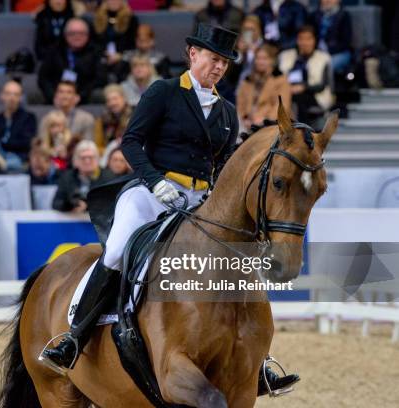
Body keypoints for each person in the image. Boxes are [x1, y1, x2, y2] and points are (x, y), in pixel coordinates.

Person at [39, 23, 298, 395]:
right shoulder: (163, 92)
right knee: (114, 252)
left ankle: (259, 362)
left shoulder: (226, 111)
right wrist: (156, 181)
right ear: (193, 54)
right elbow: (131, 142)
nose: (219, 67)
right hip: (151, 191)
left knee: (238, 264)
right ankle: (72, 338)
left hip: (200, 200)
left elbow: (224, 164)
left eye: (225, 62)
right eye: (214, 58)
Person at [38, 18, 106, 104]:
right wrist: (53, 96)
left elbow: (100, 79)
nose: (77, 36)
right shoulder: (54, 51)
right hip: (57, 97)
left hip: (84, 97)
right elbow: (43, 78)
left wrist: (81, 96)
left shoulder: (96, 52)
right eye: (72, 33)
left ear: (88, 35)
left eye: (81, 33)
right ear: (65, 35)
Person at [278, 25, 334, 127]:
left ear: (314, 40)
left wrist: (304, 87)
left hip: (315, 95)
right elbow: (279, 78)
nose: (304, 43)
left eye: (308, 39)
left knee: (299, 98)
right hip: (288, 92)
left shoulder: (323, 58)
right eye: (301, 39)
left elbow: (322, 85)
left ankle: (300, 129)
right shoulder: (287, 56)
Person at [0, 80, 37, 171]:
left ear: (20, 98)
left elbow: (26, 143)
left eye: (16, 94)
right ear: (2, 96)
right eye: (8, 94)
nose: (12, 98)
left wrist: (1, 142)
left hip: (17, 156)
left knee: (12, 164)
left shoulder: (28, 118)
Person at [236, 44, 291, 132]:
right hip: (247, 123)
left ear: (272, 60)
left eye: (265, 58)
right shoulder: (248, 80)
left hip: (271, 124)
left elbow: (282, 106)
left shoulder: (280, 79)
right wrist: (245, 118)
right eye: (258, 58)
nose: (260, 62)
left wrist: (265, 120)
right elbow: (240, 104)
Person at [51, 139, 114, 212]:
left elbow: (111, 204)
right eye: (83, 158)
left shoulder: (108, 178)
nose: (87, 161)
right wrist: (69, 205)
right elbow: (56, 203)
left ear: (97, 159)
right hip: (72, 220)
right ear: (76, 160)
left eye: (91, 157)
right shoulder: (67, 177)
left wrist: (87, 206)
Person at [93, 0, 139, 83]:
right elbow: (95, 42)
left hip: (124, 56)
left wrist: (120, 55)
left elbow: (133, 44)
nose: (114, 1)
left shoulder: (131, 19)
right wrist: (105, 55)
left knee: (122, 66)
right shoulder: (98, 18)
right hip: (102, 56)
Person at [309, 0, 352, 74]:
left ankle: (326, 85)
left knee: (324, 66)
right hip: (317, 52)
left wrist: (328, 50)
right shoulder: (314, 16)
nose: (328, 0)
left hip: (339, 53)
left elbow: (346, 41)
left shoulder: (344, 16)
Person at [94, 84, 132, 156]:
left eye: (115, 99)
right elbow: (97, 146)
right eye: (109, 100)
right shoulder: (102, 120)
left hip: (131, 155)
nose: (112, 103)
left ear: (124, 99)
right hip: (108, 157)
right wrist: (110, 152)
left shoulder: (134, 116)